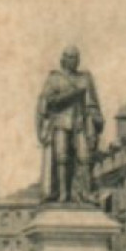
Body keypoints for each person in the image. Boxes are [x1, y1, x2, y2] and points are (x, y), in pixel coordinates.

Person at [36, 46, 105, 203]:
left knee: (85, 157)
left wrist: (96, 118)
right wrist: (73, 94)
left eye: (76, 57)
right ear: (63, 60)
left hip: (80, 122)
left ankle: (85, 193)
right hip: (61, 122)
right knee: (61, 157)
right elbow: (49, 101)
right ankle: (62, 193)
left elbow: (92, 102)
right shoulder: (54, 79)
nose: (74, 61)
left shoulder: (85, 78)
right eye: (70, 57)